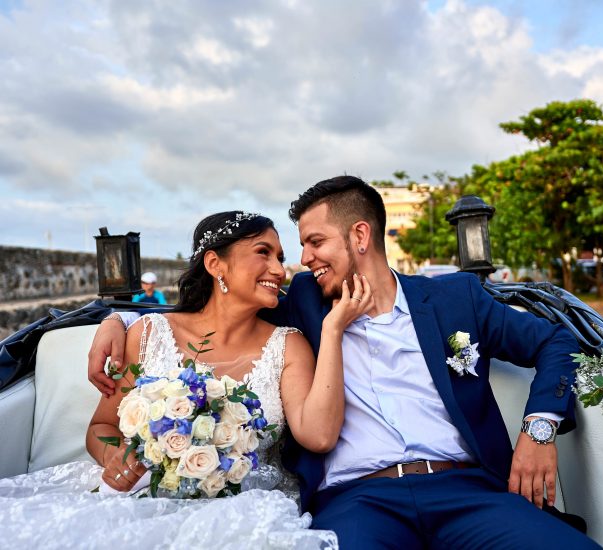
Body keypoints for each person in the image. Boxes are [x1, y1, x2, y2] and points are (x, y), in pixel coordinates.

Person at [87, 177, 600, 548]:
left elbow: (558, 341)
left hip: (468, 489)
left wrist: (538, 431)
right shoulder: (303, 305)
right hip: (358, 502)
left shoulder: (455, 299)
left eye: (314, 242)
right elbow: (220, 307)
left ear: (359, 236)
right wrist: (117, 319)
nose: (301, 261)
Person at [0, 210, 374, 549]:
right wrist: (114, 456)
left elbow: (320, 435)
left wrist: (333, 329)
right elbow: (101, 425)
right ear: (215, 264)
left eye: (279, 257)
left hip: (247, 510)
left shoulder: (288, 345)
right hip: (144, 496)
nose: (279, 269)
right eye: (264, 252)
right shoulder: (148, 333)